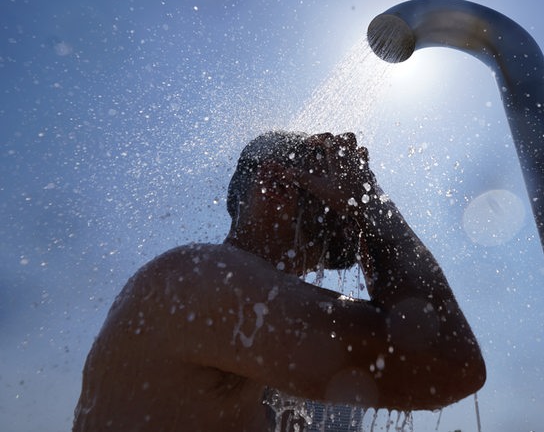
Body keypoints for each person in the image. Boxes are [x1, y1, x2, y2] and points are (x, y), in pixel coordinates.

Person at [73, 131, 486, 431]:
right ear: (275, 186)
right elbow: (448, 362)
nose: (342, 196)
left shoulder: (235, 314)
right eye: (326, 175)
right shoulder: (204, 280)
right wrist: (370, 202)